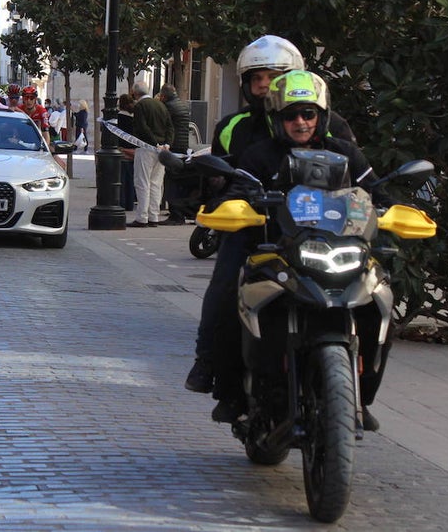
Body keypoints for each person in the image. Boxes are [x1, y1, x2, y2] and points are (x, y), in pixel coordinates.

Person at [210, 70, 388, 430]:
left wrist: (399, 211)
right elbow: (235, 192)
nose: (301, 122)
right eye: (291, 115)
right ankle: (230, 392)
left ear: (321, 116)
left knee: (380, 300)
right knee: (228, 299)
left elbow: (379, 192)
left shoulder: (345, 152)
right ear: (277, 119)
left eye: (308, 114)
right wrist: (234, 208)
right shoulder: (260, 155)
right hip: (277, 252)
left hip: (340, 249)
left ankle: (358, 395)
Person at [185, 35, 357, 396]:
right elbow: (224, 179)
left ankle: (357, 388)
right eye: (257, 77)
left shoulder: (331, 125)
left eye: (274, 76)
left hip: (324, 232)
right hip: (257, 231)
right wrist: (223, 199)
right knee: (226, 283)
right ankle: (209, 362)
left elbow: (357, 174)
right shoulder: (236, 128)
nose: (264, 84)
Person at [128, 82, 173, 228]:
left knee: (142, 182)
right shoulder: (161, 105)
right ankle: (154, 216)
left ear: (135, 93)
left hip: (146, 148)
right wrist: (166, 144)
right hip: (162, 151)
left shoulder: (140, 106)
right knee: (156, 183)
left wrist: (154, 143)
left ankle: (142, 217)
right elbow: (170, 127)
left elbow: (142, 127)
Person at [158, 84, 190, 225]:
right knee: (178, 181)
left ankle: (176, 215)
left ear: (164, 96)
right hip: (182, 147)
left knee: (171, 182)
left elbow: (164, 126)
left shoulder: (168, 107)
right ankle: (179, 212)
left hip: (174, 146)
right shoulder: (182, 105)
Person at [116, 93, 138, 211]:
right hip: (133, 151)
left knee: (122, 179)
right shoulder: (134, 118)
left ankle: (122, 202)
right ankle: (130, 202)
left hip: (121, 151)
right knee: (131, 179)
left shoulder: (118, 118)